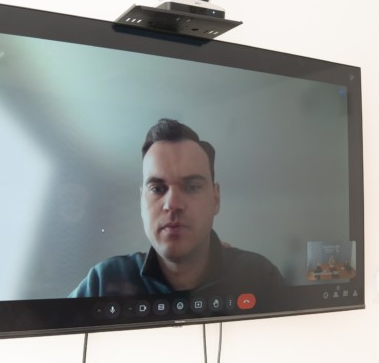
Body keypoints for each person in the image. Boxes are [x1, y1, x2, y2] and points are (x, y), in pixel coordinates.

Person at [69, 118, 284, 298]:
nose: (172, 204)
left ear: (215, 198)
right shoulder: (102, 283)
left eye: (191, 187)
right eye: (157, 189)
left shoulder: (260, 277)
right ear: (142, 201)